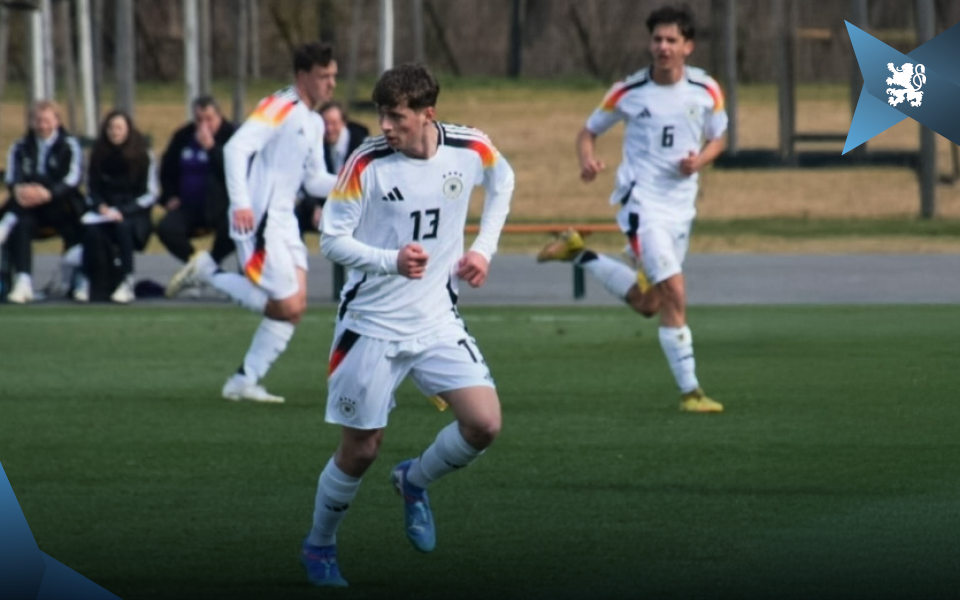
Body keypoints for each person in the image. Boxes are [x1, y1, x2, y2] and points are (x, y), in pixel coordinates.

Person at [300, 62, 515, 587]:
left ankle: (413, 481)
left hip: (436, 317)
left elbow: (503, 180)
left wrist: (483, 250)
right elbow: (331, 240)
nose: (385, 126)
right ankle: (319, 545)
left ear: (427, 114)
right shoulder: (365, 162)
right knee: (361, 448)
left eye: (396, 116)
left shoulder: (469, 148)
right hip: (370, 324)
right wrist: (390, 261)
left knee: (484, 424)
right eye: (381, 114)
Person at [536, 5, 728, 413]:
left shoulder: (706, 89)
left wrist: (700, 160)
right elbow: (588, 132)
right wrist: (587, 161)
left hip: (681, 207)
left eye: (672, 40)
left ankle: (578, 253)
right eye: (657, 39)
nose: (663, 46)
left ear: (688, 46)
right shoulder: (628, 91)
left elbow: (719, 138)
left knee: (649, 303)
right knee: (675, 291)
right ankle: (691, 392)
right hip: (642, 205)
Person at [165, 42, 339, 402]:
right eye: (324, 76)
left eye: (333, 75)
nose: (331, 83)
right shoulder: (279, 105)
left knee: (296, 306)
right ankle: (208, 273)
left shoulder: (314, 121)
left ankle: (244, 380)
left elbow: (313, 180)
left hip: (285, 221)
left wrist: (355, 183)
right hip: (259, 220)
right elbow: (235, 148)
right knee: (286, 306)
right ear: (303, 76)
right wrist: (242, 203)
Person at [0, 100, 84, 304]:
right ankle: (24, 281)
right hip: (28, 209)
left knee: (39, 180)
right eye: (38, 121)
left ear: (57, 121)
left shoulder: (69, 145)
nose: (42, 126)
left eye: (47, 121)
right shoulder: (20, 146)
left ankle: (6, 222)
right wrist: (19, 190)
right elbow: (12, 178)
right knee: (23, 222)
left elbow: (73, 178)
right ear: (31, 122)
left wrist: (48, 193)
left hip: (61, 208)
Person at [74, 110, 157, 303]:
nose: (114, 132)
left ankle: (127, 280)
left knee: (123, 227)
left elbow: (150, 194)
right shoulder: (97, 154)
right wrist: (101, 207)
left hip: (133, 214)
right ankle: (87, 279)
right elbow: (91, 189)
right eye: (111, 127)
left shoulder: (143, 155)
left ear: (128, 129)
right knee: (92, 231)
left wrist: (123, 211)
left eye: (119, 127)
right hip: (104, 212)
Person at [158, 96, 237, 294]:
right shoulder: (183, 136)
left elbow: (232, 171)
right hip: (189, 206)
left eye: (209, 119)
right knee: (166, 228)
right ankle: (202, 269)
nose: (204, 125)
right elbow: (167, 170)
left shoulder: (231, 135)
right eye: (199, 119)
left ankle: (207, 267)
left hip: (221, 206)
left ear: (219, 116)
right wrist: (169, 196)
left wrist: (211, 148)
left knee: (235, 228)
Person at [294, 100, 369, 236]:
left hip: (357, 204)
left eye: (334, 123)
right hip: (326, 203)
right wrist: (315, 208)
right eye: (325, 124)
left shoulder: (361, 145)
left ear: (344, 123)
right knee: (296, 214)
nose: (329, 129)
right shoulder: (317, 144)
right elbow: (308, 180)